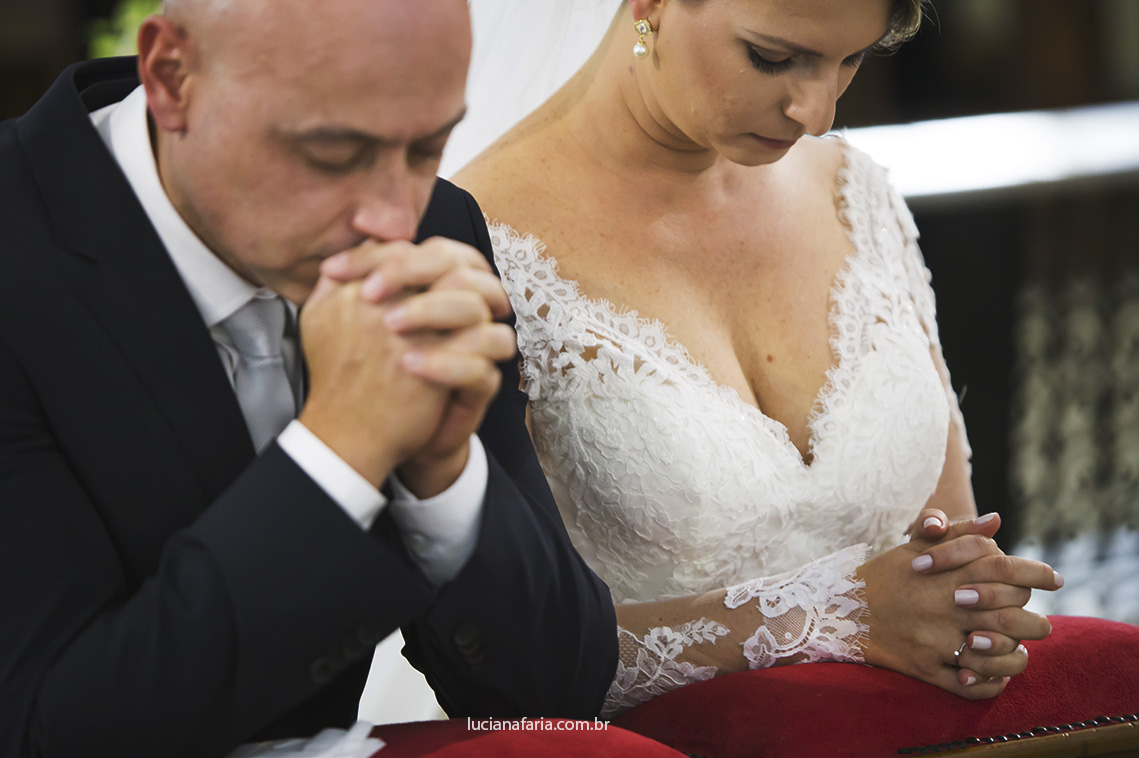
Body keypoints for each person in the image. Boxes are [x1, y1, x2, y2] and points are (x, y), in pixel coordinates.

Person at [0, 0, 618, 755]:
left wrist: (444, 475)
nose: (393, 220)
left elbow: (558, 698)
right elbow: (48, 733)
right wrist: (342, 448)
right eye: (332, 152)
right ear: (172, 76)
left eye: (427, 149)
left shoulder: (440, 227)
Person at [448, 0, 1063, 717]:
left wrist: (969, 605)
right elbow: (504, 654)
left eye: (852, 59)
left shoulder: (849, 188)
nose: (816, 113)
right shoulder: (479, 245)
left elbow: (950, 534)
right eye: (773, 58)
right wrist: (833, 615)